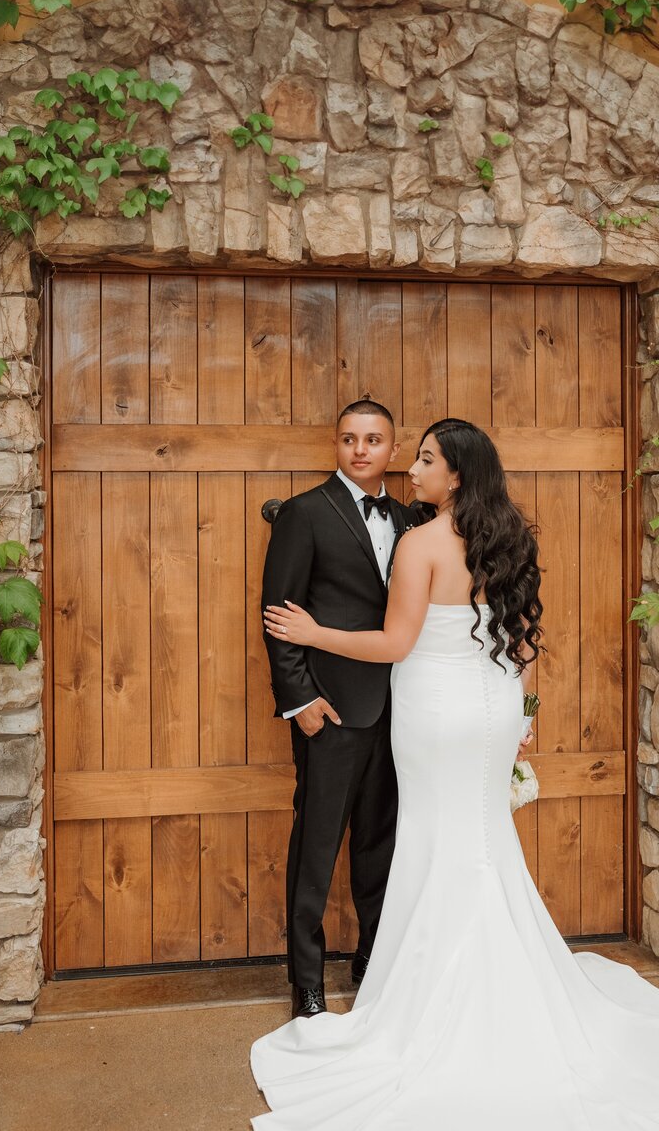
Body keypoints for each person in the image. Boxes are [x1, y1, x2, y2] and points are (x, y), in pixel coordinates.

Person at [252, 417, 659, 1131]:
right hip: (490, 712)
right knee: (483, 840)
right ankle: (502, 978)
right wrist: (520, 716)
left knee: (434, 840)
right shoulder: (510, 538)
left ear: (455, 475)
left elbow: (397, 641)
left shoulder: (421, 542)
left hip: (431, 716)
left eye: (425, 460)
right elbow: (522, 644)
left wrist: (313, 633)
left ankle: (439, 996)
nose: (413, 470)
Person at [260, 399, 417, 1021]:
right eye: (350, 438)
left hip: (398, 711)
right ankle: (306, 981)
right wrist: (300, 702)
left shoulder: (410, 519)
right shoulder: (303, 514)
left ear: (392, 450)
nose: (361, 449)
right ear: (336, 445)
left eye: (373, 439)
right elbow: (278, 616)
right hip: (329, 708)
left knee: (381, 843)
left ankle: (373, 962)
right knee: (316, 846)